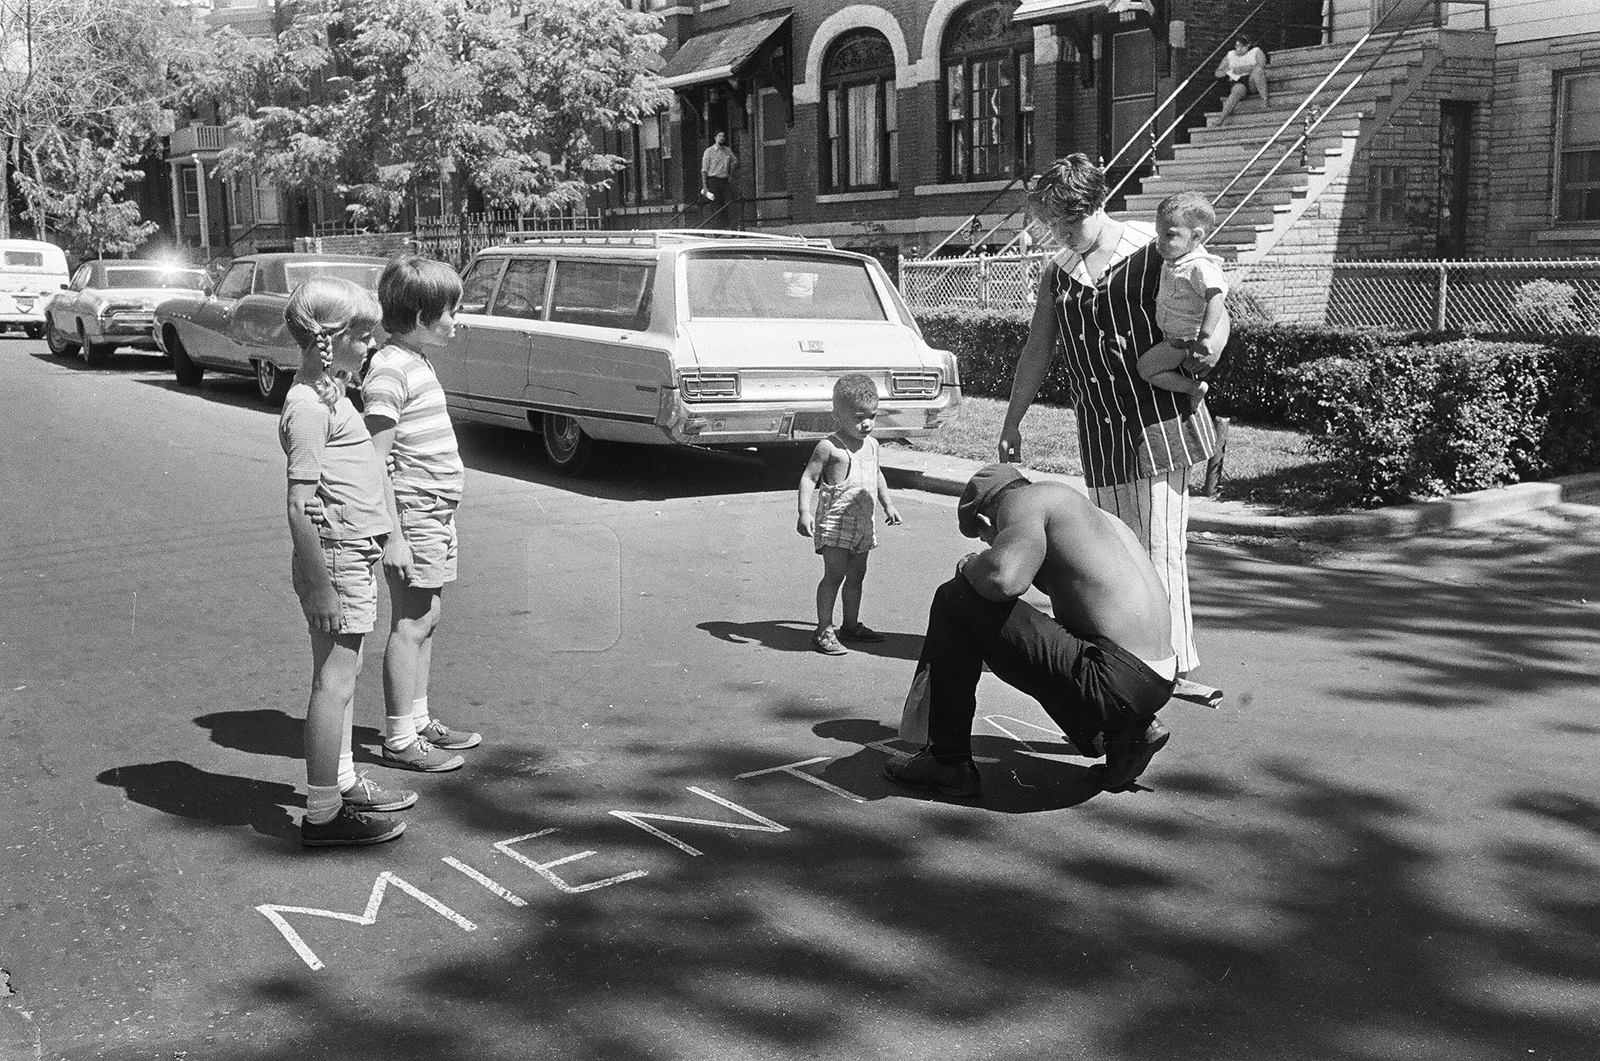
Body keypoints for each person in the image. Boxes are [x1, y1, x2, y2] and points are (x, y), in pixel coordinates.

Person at [999, 154, 1224, 708]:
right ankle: (1132, 657)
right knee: (1115, 556)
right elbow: (1038, 347)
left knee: (1161, 548)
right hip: (1100, 427)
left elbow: (1213, 298)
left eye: (1069, 223)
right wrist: (1013, 418)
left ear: (1097, 205)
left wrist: (1210, 349)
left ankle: (1172, 664)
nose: (1062, 234)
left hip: (1159, 423)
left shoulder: (1153, 249)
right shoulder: (1059, 272)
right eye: (1054, 225)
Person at [884, 465, 1177, 797]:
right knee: (1051, 634)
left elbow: (1004, 579)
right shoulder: (1096, 518)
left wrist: (971, 563)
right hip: (1156, 680)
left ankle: (946, 761)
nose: (994, 542)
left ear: (985, 522)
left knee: (956, 598)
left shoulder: (1021, 504)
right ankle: (1129, 735)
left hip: (1112, 682)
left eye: (988, 538)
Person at [280, 276, 411, 847]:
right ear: (328, 338)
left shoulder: (330, 392)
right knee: (334, 682)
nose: (371, 345)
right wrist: (319, 587)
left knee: (343, 675)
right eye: (362, 334)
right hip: (333, 560)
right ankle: (323, 815)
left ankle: (339, 781)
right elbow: (299, 504)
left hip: (351, 552)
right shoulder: (308, 407)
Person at [363, 255, 481, 773]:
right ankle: (398, 738)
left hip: (435, 508)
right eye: (449, 311)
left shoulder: (414, 359)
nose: (456, 320)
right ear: (418, 315)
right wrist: (393, 536)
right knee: (410, 623)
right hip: (413, 512)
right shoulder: (389, 369)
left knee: (428, 616)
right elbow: (376, 458)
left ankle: (418, 718)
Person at [796, 374, 903, 655]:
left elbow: (877, 475)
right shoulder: (830, 447)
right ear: (837, 415)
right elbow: (809, 478)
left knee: (857, 576)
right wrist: (804, 511)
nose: (866, 423)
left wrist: (888, 504)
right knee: (835, 575)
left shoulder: (873, 445)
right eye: (858, 417)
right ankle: (824, 629)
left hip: (863, 525)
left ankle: (851, 624)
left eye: (872, 416)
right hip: (835, 525)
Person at [1137, 190, 1230, 401]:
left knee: (1146, 369)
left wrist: (1205, 337)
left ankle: (1193, 388)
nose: (1159, 242)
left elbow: (1216, 297)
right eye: (1158, 234)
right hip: (1175, 336)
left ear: (1196, 236)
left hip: (1188, 340)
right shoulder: (1176, 260)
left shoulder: (1199, 265)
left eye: (1169, 235)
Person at [1215, 36, 1269, 122]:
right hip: (1237, 80)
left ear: (1248, 45)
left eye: (1241, 46)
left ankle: (1264, 100)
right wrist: (1227, 71)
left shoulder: (1256, 51)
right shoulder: (1230, 54)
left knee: (1258, 71)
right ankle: (1221, 118)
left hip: (1252, 79)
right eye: (1237, 46)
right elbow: (1217, 73)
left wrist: (1244, 69)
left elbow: (1262, 65)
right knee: (1237, 90)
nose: (1239, 49)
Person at [700, 130, 738, 224]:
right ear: (715, 137)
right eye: (719, 136)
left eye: (723, 136)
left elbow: (736, 162)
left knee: (730, 203)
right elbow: (704, 170)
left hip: (724, 180)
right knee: (716, 205)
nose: (721, 138)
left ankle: (733, 229)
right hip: (713, 180)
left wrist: (731, 173)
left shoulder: (727, 150)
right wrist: (705, 187)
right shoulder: (709, 151)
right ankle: (717, 230)